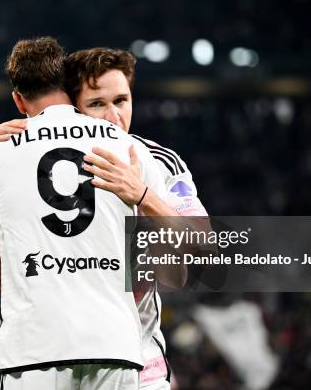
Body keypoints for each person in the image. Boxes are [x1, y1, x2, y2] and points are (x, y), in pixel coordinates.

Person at [0, 37, 173, 390]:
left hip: (31, 353)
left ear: (18, 99)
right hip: (116, 346)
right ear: (68, 90)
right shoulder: (128, 148)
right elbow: (195, 249)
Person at [64, 47, 210, 390]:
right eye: (97, 104)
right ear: (73, 109)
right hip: (64, 367)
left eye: (121, 100)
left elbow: (203, 244)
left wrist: (143, 196)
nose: (114, 115)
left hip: (140, 368)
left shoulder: (160, 162)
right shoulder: (47, 172)